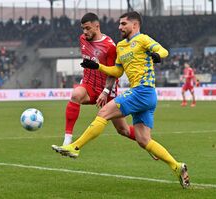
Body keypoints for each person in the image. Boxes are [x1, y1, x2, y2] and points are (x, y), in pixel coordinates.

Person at [53, 11, 190, 188]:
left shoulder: (143, 39)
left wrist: (158, 56)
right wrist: (98, 66)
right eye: (119, 24)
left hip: (142, 91)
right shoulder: (121, 47)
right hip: (143, 95)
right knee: (143, 140)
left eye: (124, 24)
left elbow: (163, 50)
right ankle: (177, 166)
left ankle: (75, 147)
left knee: (103, 112)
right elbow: (117, 72)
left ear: (135, 25)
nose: (120, 27)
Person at [51, 13, 136, 149]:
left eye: (88, 28)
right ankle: (67, 141)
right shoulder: (83, 39)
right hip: (89, 86)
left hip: (107, 91)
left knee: (123, 130)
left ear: (97, 26)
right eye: (83, 29)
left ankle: (147, 142)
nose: (85, 32)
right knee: (76, 95)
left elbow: (113, 73)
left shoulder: (109, 46)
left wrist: (105, 91)